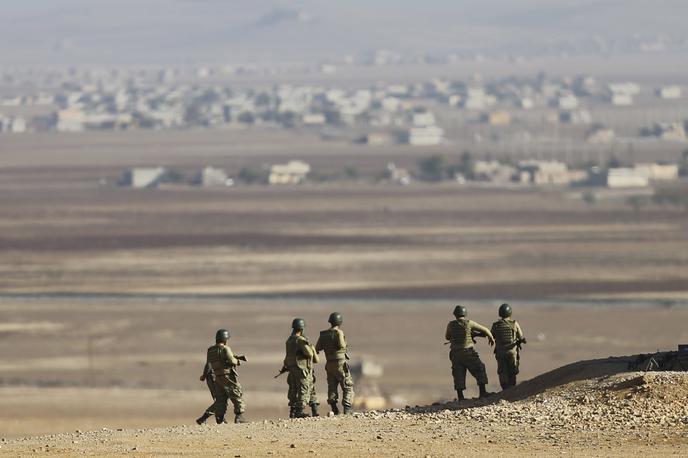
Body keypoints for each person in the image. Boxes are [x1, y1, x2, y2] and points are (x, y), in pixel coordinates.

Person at [445, 305, 494, 401]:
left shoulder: (450, 325)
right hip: (467, 352)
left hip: (455, 353)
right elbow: (485, 330)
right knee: (480, 367)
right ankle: (483, 392)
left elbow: (447, 337)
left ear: (455, 314)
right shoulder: (469, 323)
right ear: (465, 314)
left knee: (458, 373)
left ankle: (461, 397)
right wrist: (491, 338)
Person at [315, 312, 354, 415]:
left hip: (329, 364)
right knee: (347, 386)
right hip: (340, 363)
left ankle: (334, 408)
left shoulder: (323, 334)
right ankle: (347, 408)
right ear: (339, 322)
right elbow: (341, 345)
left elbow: (317, 348)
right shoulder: (339, 332)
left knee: (332, 386)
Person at [205, 328, 247, 424]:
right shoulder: (225, 349)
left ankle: (220, 418)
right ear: (225, 339)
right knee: (236, 393)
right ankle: (239, 416)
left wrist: (204, 375)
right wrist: (237, 361)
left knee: (221, 398)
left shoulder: (210, 350)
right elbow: (232, 361)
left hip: (217, 376)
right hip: (227, 375)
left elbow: (209, 364)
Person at [284, 318, 317, 418]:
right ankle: (300, 411)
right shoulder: (300, 340)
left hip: (291, 368)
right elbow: (309, 353)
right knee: (304, 388)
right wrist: (311, 347)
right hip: (301, 368)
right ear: (301, 329)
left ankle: (293, 411)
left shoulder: (289, 340)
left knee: (293, 389)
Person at [491, 303, 526, 390]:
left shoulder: (495, 325)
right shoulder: (514, 324)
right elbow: (521, 336)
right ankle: (512, 388)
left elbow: (492, 335)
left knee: (502, 371)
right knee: (512, 370)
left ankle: (505, 389)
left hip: (501, 352)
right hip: (512, 351)